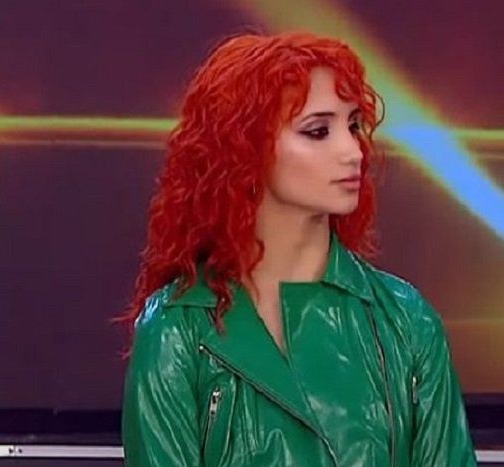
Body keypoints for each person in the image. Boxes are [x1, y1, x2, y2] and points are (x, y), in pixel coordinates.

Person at [120, 33, 475, 466]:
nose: (353, 152)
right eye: (318, 131)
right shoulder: (176, 329)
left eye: (354, 125)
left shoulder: (408, 321)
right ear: (244, 149)